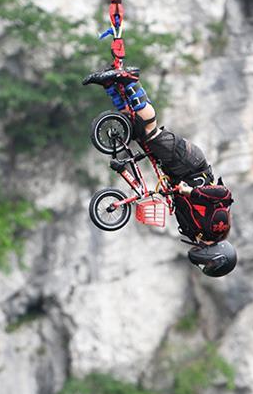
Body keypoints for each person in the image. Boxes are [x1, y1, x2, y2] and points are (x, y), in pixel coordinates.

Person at [83, 67, 237, 277]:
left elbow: (182, 205)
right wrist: (189, 192)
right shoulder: (216, 229)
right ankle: (130, 81)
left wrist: (169, 194)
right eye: (208, 265)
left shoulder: (195, 234)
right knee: (150, 133)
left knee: (135, 130)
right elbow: (223, 194)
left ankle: (110, 85)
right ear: (217, 256)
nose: (203, 264)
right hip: (189, 164)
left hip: (175, 172)